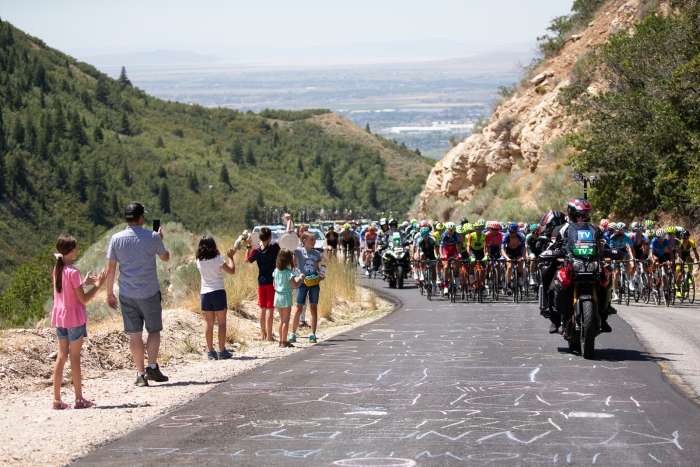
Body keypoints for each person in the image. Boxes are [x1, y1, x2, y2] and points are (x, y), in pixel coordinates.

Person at [107, 202, 170, 387]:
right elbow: (165, 257)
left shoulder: (116, 239)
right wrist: (160, 239)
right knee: (154, 330)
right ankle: (152, 366)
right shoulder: (152, 237)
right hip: (149, 292)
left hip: (127, 293)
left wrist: (109, 293)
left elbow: (111, 269)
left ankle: (140, 374)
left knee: (134, 333)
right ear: (141, 217)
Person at [51, 235, 107, 409]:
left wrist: (83, 283)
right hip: (74, 319)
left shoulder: (57, 269)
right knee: (75, 358)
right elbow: (82, 299)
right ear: (72, 250)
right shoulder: (73, 272)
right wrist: (98, 285)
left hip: (60, 318)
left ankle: (57, 400)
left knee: (61, 357)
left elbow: (68, 290)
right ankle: (79, 399)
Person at [195, 236, 236, 360]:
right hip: (217, 292)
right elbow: (231, 271)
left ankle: (210, 351)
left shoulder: (199, 260)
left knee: (209, 323)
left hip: (205, 293)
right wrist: (231, 257)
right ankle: (222, 350)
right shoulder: (217, 259)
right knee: (222, 323)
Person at [290, 232, 324, 344]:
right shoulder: (299, 251)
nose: (314, 242)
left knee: (313, 307)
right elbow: (290, 247)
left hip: (314, 282)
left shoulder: (316, 253)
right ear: (304, 241)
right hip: (302, 283)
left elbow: (317, 267)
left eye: (314, 240)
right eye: (311, 240)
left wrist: (321, 274)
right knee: (298, 308)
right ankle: (293, 334)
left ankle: (313, 334)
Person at [247, 227, 280, 342]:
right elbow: (286, 238)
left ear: (259, 237)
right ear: (270, 237)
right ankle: (270, 335)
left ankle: (263, 334)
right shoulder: (275, 248)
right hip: (272, 282)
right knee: (270, 308)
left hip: (261, 281)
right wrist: (289, 221)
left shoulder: (256, 251)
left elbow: (247, 260)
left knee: (262, 307)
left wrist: (248, 246)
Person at [273, 249, 303, 348]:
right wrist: (301, 280)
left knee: (281, 320)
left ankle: (280, 341)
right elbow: (295, 285)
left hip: (277, 295)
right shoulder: (288, 273)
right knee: (286, 320)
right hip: (286, 296)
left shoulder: (276, 271)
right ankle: (284, 341)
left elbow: (274, 284)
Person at [501, 222, 526, 294]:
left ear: (517, 231)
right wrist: (506, 258)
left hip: (517, 250)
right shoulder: (506, 236)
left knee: (520, 261)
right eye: (511, 232)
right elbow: (502, 249)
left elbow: (524, 248)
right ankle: (508, 285)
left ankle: (520, 277)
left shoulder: (520, 236)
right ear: (509, 231)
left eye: (514, 232)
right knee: (509, 266)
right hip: (509, 251)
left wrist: (523, 257)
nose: (513, 234)